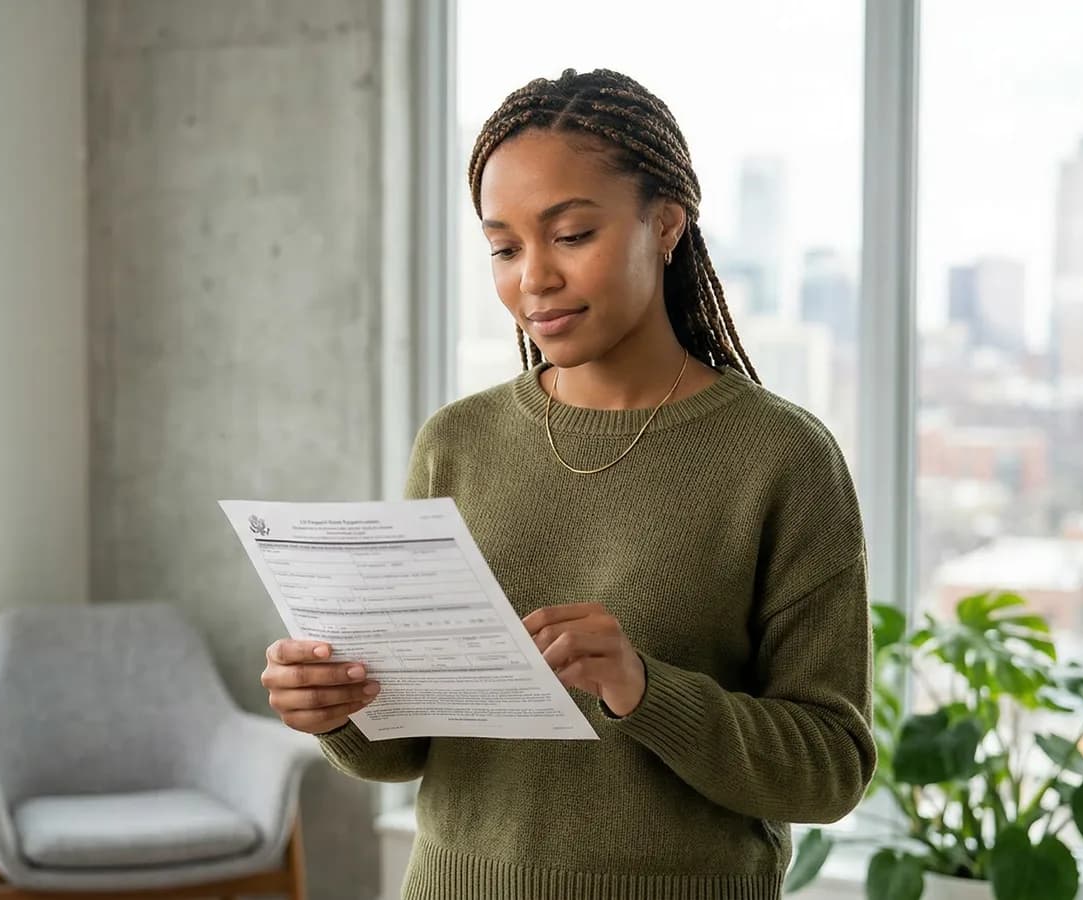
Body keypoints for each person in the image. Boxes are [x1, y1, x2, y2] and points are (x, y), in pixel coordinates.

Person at [259, 68, 875, 899]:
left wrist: (645, 690)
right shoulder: (458, 443)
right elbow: (406, 751)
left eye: (572, 235)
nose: (533, 278)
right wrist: (338, 708)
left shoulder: (782, 456)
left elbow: (830, 769)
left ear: (666, 223)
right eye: (505, 248)